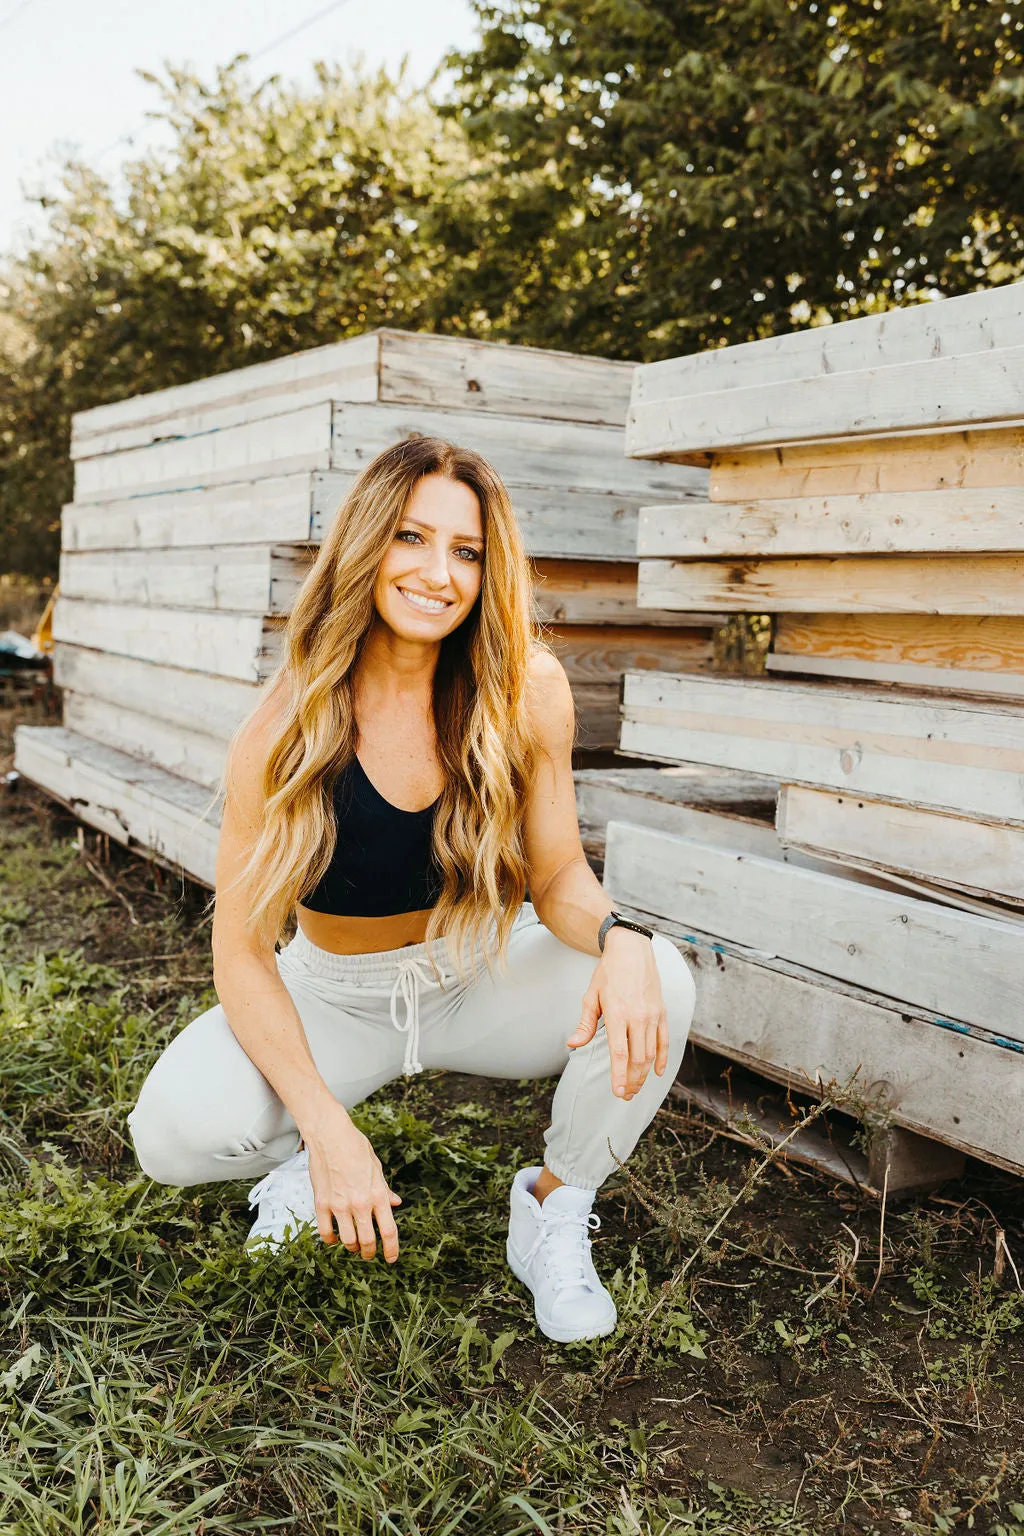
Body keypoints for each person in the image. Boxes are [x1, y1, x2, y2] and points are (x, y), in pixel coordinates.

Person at [128, 436, 696, 1344]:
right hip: (335, 998)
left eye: (465, 551)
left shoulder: (527, 692)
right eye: (409, 538)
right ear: (365, 546)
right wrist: (326, 1130)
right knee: (172, 1132)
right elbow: (238, 949)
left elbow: (554, 874)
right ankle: (300, 1160)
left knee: (661, 973)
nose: (439, 573)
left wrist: (622, 937)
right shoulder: (283, 725)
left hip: (479, 974)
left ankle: (552, 1207)